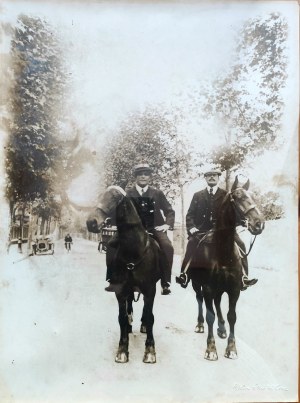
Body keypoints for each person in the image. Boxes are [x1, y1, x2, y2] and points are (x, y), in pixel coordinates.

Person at [177, 167, 257, 290]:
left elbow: (233, 212)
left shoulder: (226, 194)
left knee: (240, 244)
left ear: (219, 178)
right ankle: (184, 274)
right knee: (192, 244)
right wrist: (191, 227)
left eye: (215, 175)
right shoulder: (197, 195)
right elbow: (190, 214)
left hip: (223, 231)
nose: (212, 177)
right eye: (209, 175)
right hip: (201, 230)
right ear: (205, 178)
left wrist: (242, 221)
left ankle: (244, 277)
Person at [105, 163, 175, 295]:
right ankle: (112, 279)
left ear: (150, 177)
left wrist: (167, 224)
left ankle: (165, 282)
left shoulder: (157, 193)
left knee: (167, 247)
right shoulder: (127, 194)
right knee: (111, 244)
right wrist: (114, 223)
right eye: (140, 174)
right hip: (130, 230)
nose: (143, 176)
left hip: (154, 228)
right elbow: (118, 211)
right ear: (135, 177)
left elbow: (169, 211)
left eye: (146, 174)